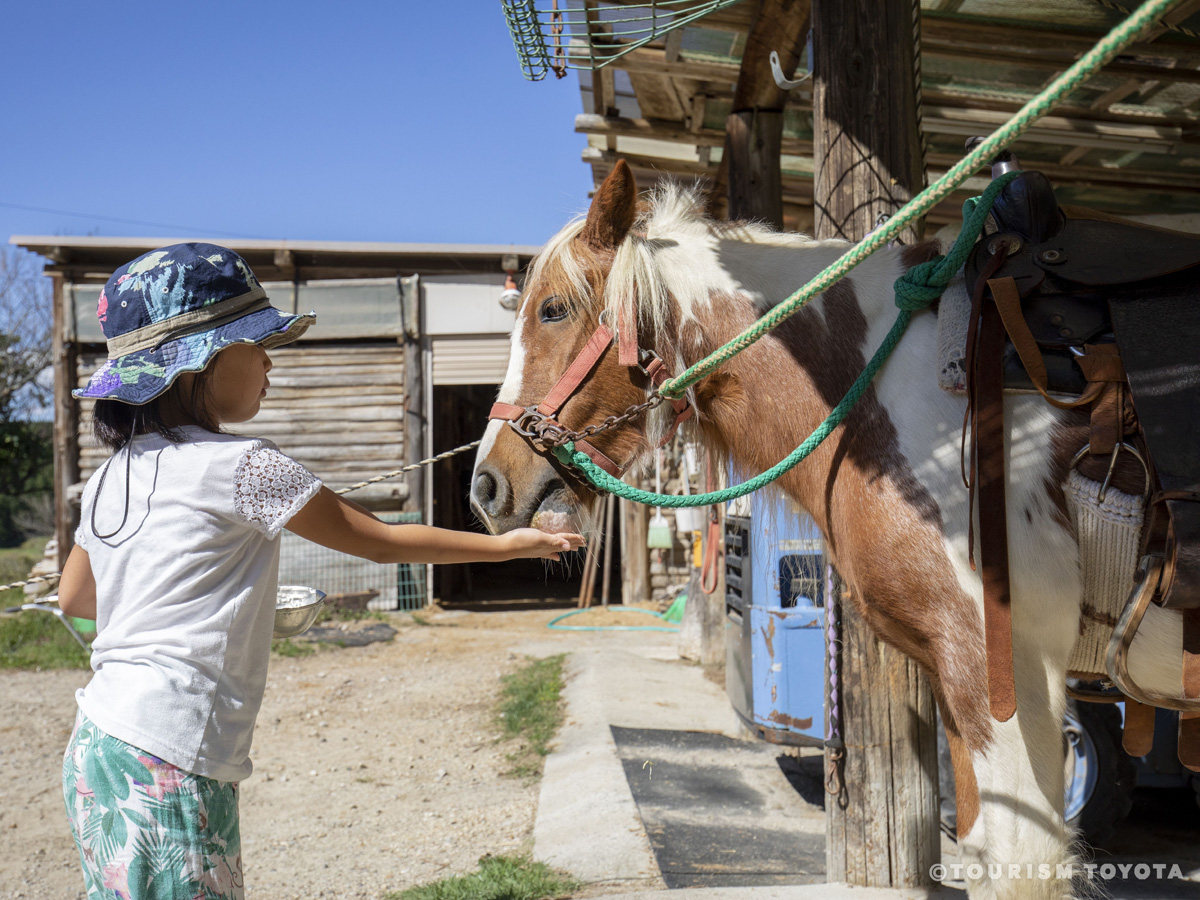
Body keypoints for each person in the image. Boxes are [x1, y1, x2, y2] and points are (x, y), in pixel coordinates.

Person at [55, 243, 582, 900]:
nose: (271, 359)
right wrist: (509, 547)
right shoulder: (246, 464)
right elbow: (382, 544)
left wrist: (208, 607)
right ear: (201, 363)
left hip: (99, 743)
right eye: (257, 344)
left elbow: (76, 596)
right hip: (169, 753)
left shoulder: (111, 476)